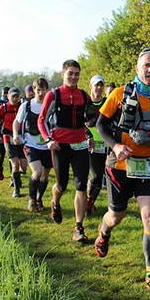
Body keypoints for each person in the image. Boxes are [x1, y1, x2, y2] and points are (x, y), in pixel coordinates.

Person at [93, 47, 150, 296]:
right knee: (115, 216)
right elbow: (101, 124)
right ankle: (104, 232)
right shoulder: (119, 94)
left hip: (148, 166)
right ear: (137, 68)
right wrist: (116, 145)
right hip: (119, 166)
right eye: (146, 65)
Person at [38, 60, 91, 243]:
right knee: (61, 185)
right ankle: (55, 202)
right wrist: (48, 140)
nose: (74, 76)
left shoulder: (83, 95)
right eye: (70, 73)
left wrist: (90, 135)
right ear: (63, 74)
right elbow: (41, 120)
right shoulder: (54, 95)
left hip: (80, 146)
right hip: (60, 145)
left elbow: (90, 119)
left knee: (81, 185)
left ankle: (78, 228)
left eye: (77, 73)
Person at [14, 77, 52, 212]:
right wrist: (15, 135)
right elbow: (16, 122)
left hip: (47, 145)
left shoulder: (50, 105)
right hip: (31, 143)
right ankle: (31, 200)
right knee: (37, 172)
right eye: (38, 90)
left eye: (43, 90)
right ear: (34, 90)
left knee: (45, 175)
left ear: (47, 90)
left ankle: (39, 198)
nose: (41, 93)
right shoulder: (26, 105)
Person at [0, 87, 26, 198]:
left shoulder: (23, 106)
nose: (15, 99)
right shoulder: (3, 108)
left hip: (21, 137)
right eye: (13, 96)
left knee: (24, 166)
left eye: (17, 96)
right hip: (7, 136)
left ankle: (15, 177)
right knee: (15, 164)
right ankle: (16, 189)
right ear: (8, 96)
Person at [85, 74, 107, 215]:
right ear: (91, 86)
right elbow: (80, 123)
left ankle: (89, 202)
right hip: (90, 143)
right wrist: (87, 136)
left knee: (100, 176)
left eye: (101, 85)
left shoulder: (107, 102)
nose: (99, 88)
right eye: (96, 85)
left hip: (106, 143)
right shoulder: (85, 103)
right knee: (95, 175)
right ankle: (88, 203)